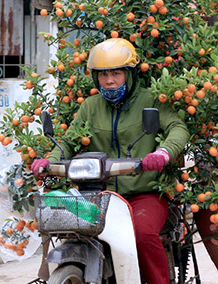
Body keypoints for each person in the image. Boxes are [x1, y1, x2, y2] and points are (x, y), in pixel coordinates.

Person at [31, 38, 189, 284]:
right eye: (103, 75)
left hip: (142, 194)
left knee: (143, 235)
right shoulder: (90, 107)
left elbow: (178, 128)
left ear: (131, 73)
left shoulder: (151, 101)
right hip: (98, 196)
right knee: (66, 228)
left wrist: (162, 153)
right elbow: (70, 141)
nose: (110, 81)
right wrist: (48, 161)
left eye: (116, 73)